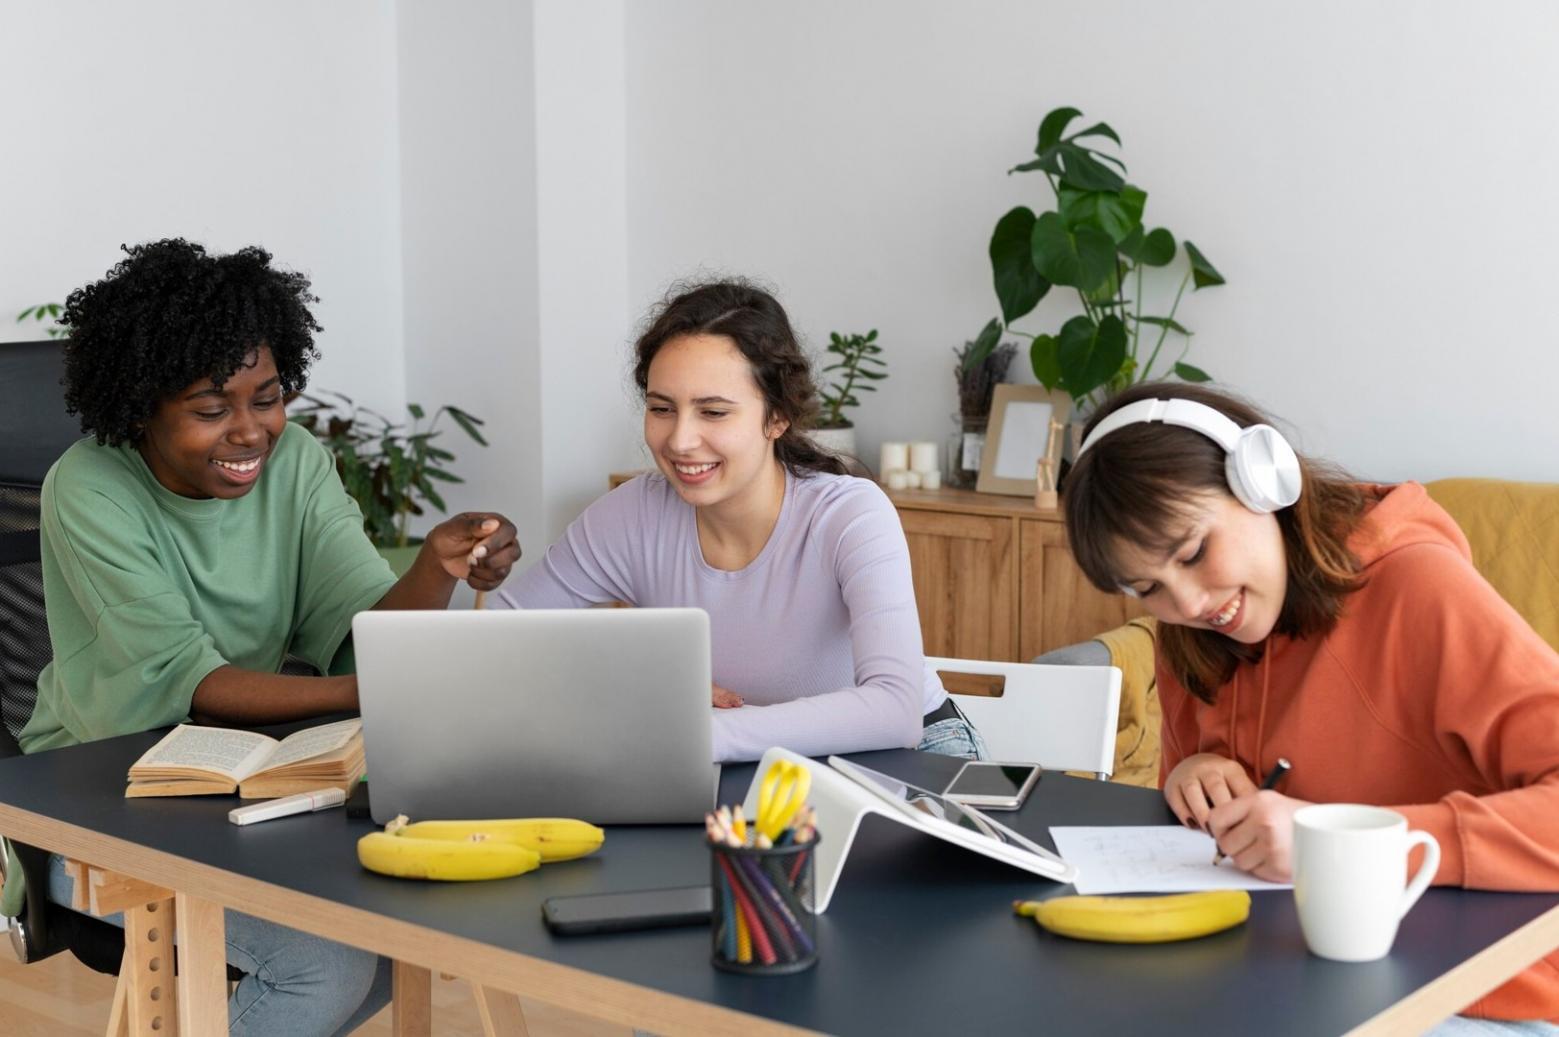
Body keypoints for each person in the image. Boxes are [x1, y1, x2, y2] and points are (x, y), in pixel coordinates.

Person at [19, 239, 521, 1036]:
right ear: (141, 405)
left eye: (268, 396)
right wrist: (384, 689)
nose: (251, 432)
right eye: (211, 409)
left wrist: (437, 566)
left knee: (405, 929)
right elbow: (196, 680)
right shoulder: (88, 486)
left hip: (248, 783)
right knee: (321, 961)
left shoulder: (297, 463)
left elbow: (369, 630)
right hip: (93, 798)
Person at [1062, 381, 1559, 1030]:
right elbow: (1215, 843)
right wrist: (1193, 777)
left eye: (1192, 552)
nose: (1184, 604)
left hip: (1475, 991)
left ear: (1259, 481)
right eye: (1148, 587)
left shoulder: (1418, 590)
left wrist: (1341, 846)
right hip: (1284, 973)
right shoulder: (1190, 633)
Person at [491, 279, 984, 763]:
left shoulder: (850, 515)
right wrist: (641, 683)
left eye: (713, 412)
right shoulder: (630, 516)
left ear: (776, 418)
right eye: (662, 408)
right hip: (748, 760)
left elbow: (893, 710)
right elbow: (496, 642)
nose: (680, 440)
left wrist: (698, 732)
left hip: (909, 753)